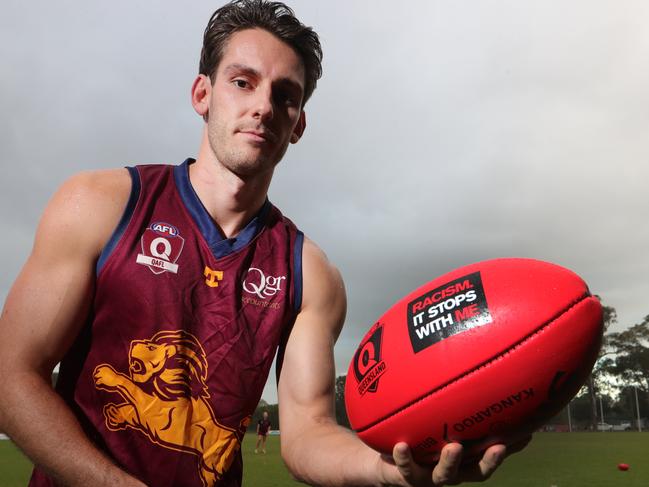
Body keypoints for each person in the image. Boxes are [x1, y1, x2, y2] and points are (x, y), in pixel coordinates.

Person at [0, 1, 526, 485]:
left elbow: (307, 432)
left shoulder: (310, 274)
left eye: (286, 95)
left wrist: (387, 470)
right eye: (243, 82)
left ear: (298, 124)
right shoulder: (99, 203)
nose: (264, 106)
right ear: (202, 94)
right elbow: (11, 375)